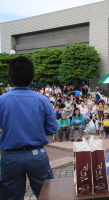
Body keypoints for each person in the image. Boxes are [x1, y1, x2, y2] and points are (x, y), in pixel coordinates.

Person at [0, 56, 57, 199]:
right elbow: (51, 129)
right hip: (37, 154)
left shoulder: (2, 100)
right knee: (48, 195)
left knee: (10, 197)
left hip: (10, 156)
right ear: (32, 78)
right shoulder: (42, 100)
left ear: (10, 78)